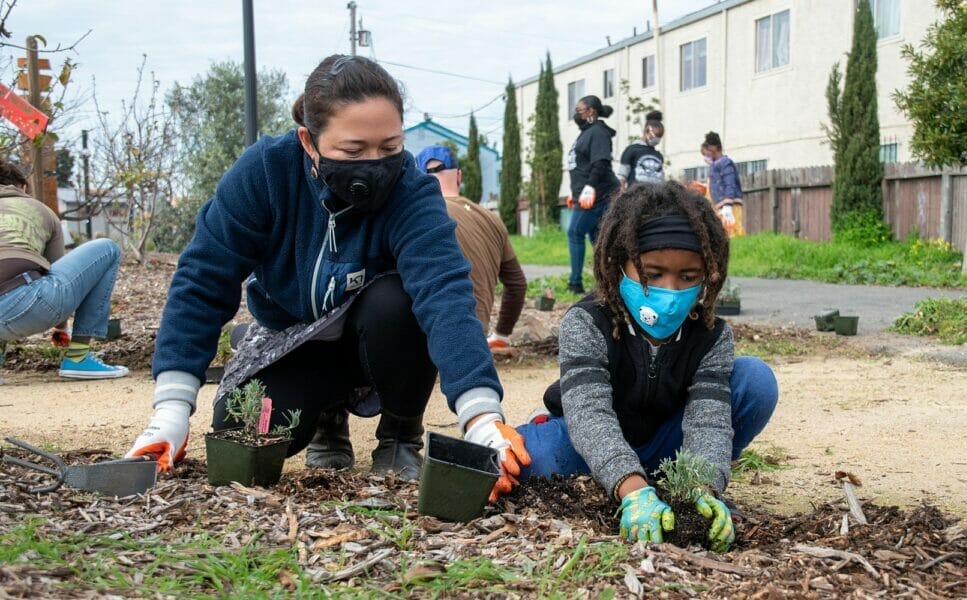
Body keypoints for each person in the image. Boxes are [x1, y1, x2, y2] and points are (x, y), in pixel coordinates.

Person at [124, 55, 529, 501]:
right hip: (299, 339)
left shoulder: (411, 190)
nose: (374, 164)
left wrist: (482, 419)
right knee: (242, 429)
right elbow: (203, 281)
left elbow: (445, 295)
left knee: (398, 301)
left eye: (390, 148)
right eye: (353, 152)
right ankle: (326, 417)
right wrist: (171, 411)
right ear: (309, 142)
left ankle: (400, 432)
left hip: (382, 339)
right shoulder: (265, 174)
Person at [517, 182, 778, 552]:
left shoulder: (710, 336)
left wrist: (701, 488)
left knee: (755, 381)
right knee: (530, 460)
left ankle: (663, 483)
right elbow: (589, 414)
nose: (670, 290)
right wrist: (632, 488)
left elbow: (708, 422)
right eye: (652, 273)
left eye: (688, 277)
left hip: (666, 443)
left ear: (708, 274)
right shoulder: (587, 322)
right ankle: (629, 482)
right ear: (619, 263)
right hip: (591, 438)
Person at [0, 159, 128, 382]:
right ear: (22, 187)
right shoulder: (40, 210)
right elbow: (58, 274)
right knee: (108, 249)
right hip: (28, 306)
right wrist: (61, 330)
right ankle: (78, 357)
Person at [414, 145, 527, 351]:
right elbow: (517, 284)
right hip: (474, 336)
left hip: (427, 337)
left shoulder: (419, 216)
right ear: (459, 176)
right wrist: (502, 334)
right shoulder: (492, 219)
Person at [565, 95, 620, 295]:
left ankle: (575, 283)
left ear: (591, 112)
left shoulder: (597, 132)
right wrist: (575, 191)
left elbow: (601, 162)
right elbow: (581, 165)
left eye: (579, 110)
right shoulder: (586, 133)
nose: (575, 114)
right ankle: (608, 283)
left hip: (599, 195)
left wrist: (589, 187)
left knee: (575, 232)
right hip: (587, 194)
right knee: (598, 240)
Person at [701, 132, 746, 237]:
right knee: (723, 231)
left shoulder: (725, 163)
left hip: (729, 206)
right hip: (719, 207)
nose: (706, 157)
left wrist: (728, 205)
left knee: (733, 228)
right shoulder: (714, 166)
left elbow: (730, 183)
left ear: (712, 149)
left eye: (706, 153)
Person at [617, 111, 665, 188]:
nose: (657, 139)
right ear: (646, 131)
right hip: (636, 196)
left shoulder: (658, 155)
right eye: (656, 135)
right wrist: (621, 193)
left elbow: (661, 178)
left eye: (659, 136)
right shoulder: (632, 150)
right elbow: (622, 176)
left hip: (655, 196)